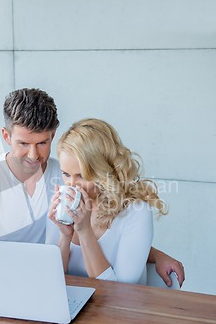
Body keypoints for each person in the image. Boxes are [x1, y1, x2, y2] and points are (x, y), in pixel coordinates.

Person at [0, 88, 185, 286]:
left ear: (52, 136)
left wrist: (154, 255)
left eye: (42, 143)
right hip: (3, 279)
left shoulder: (60, 175)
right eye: (23, 143)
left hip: (48, 286)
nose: (34, 155)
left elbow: (114, 229)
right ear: (6, 136)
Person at [48, 118, 176, 284]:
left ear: (104, 171)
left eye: (82, 175)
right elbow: (50, 279)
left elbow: (120, 290)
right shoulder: (61, 205)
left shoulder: (135, 212)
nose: (72, 185)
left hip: (117, 308)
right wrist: (64, 237)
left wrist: (85, 231)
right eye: (66, 174)